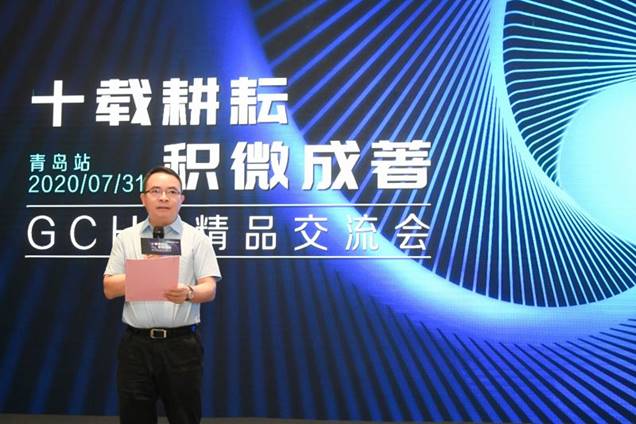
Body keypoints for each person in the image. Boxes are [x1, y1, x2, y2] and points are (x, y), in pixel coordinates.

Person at [103, 165, 221, 424]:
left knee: (185, 417)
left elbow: (209, 288)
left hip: (181, 347)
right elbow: (109, 288)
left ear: (182, 199)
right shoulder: (126, 238)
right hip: (136, 346)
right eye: (156, 191)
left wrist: (188, 292)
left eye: (172, 192)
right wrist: (143, 273)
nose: (164, 198)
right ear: (143, 198)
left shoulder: (197, 239)